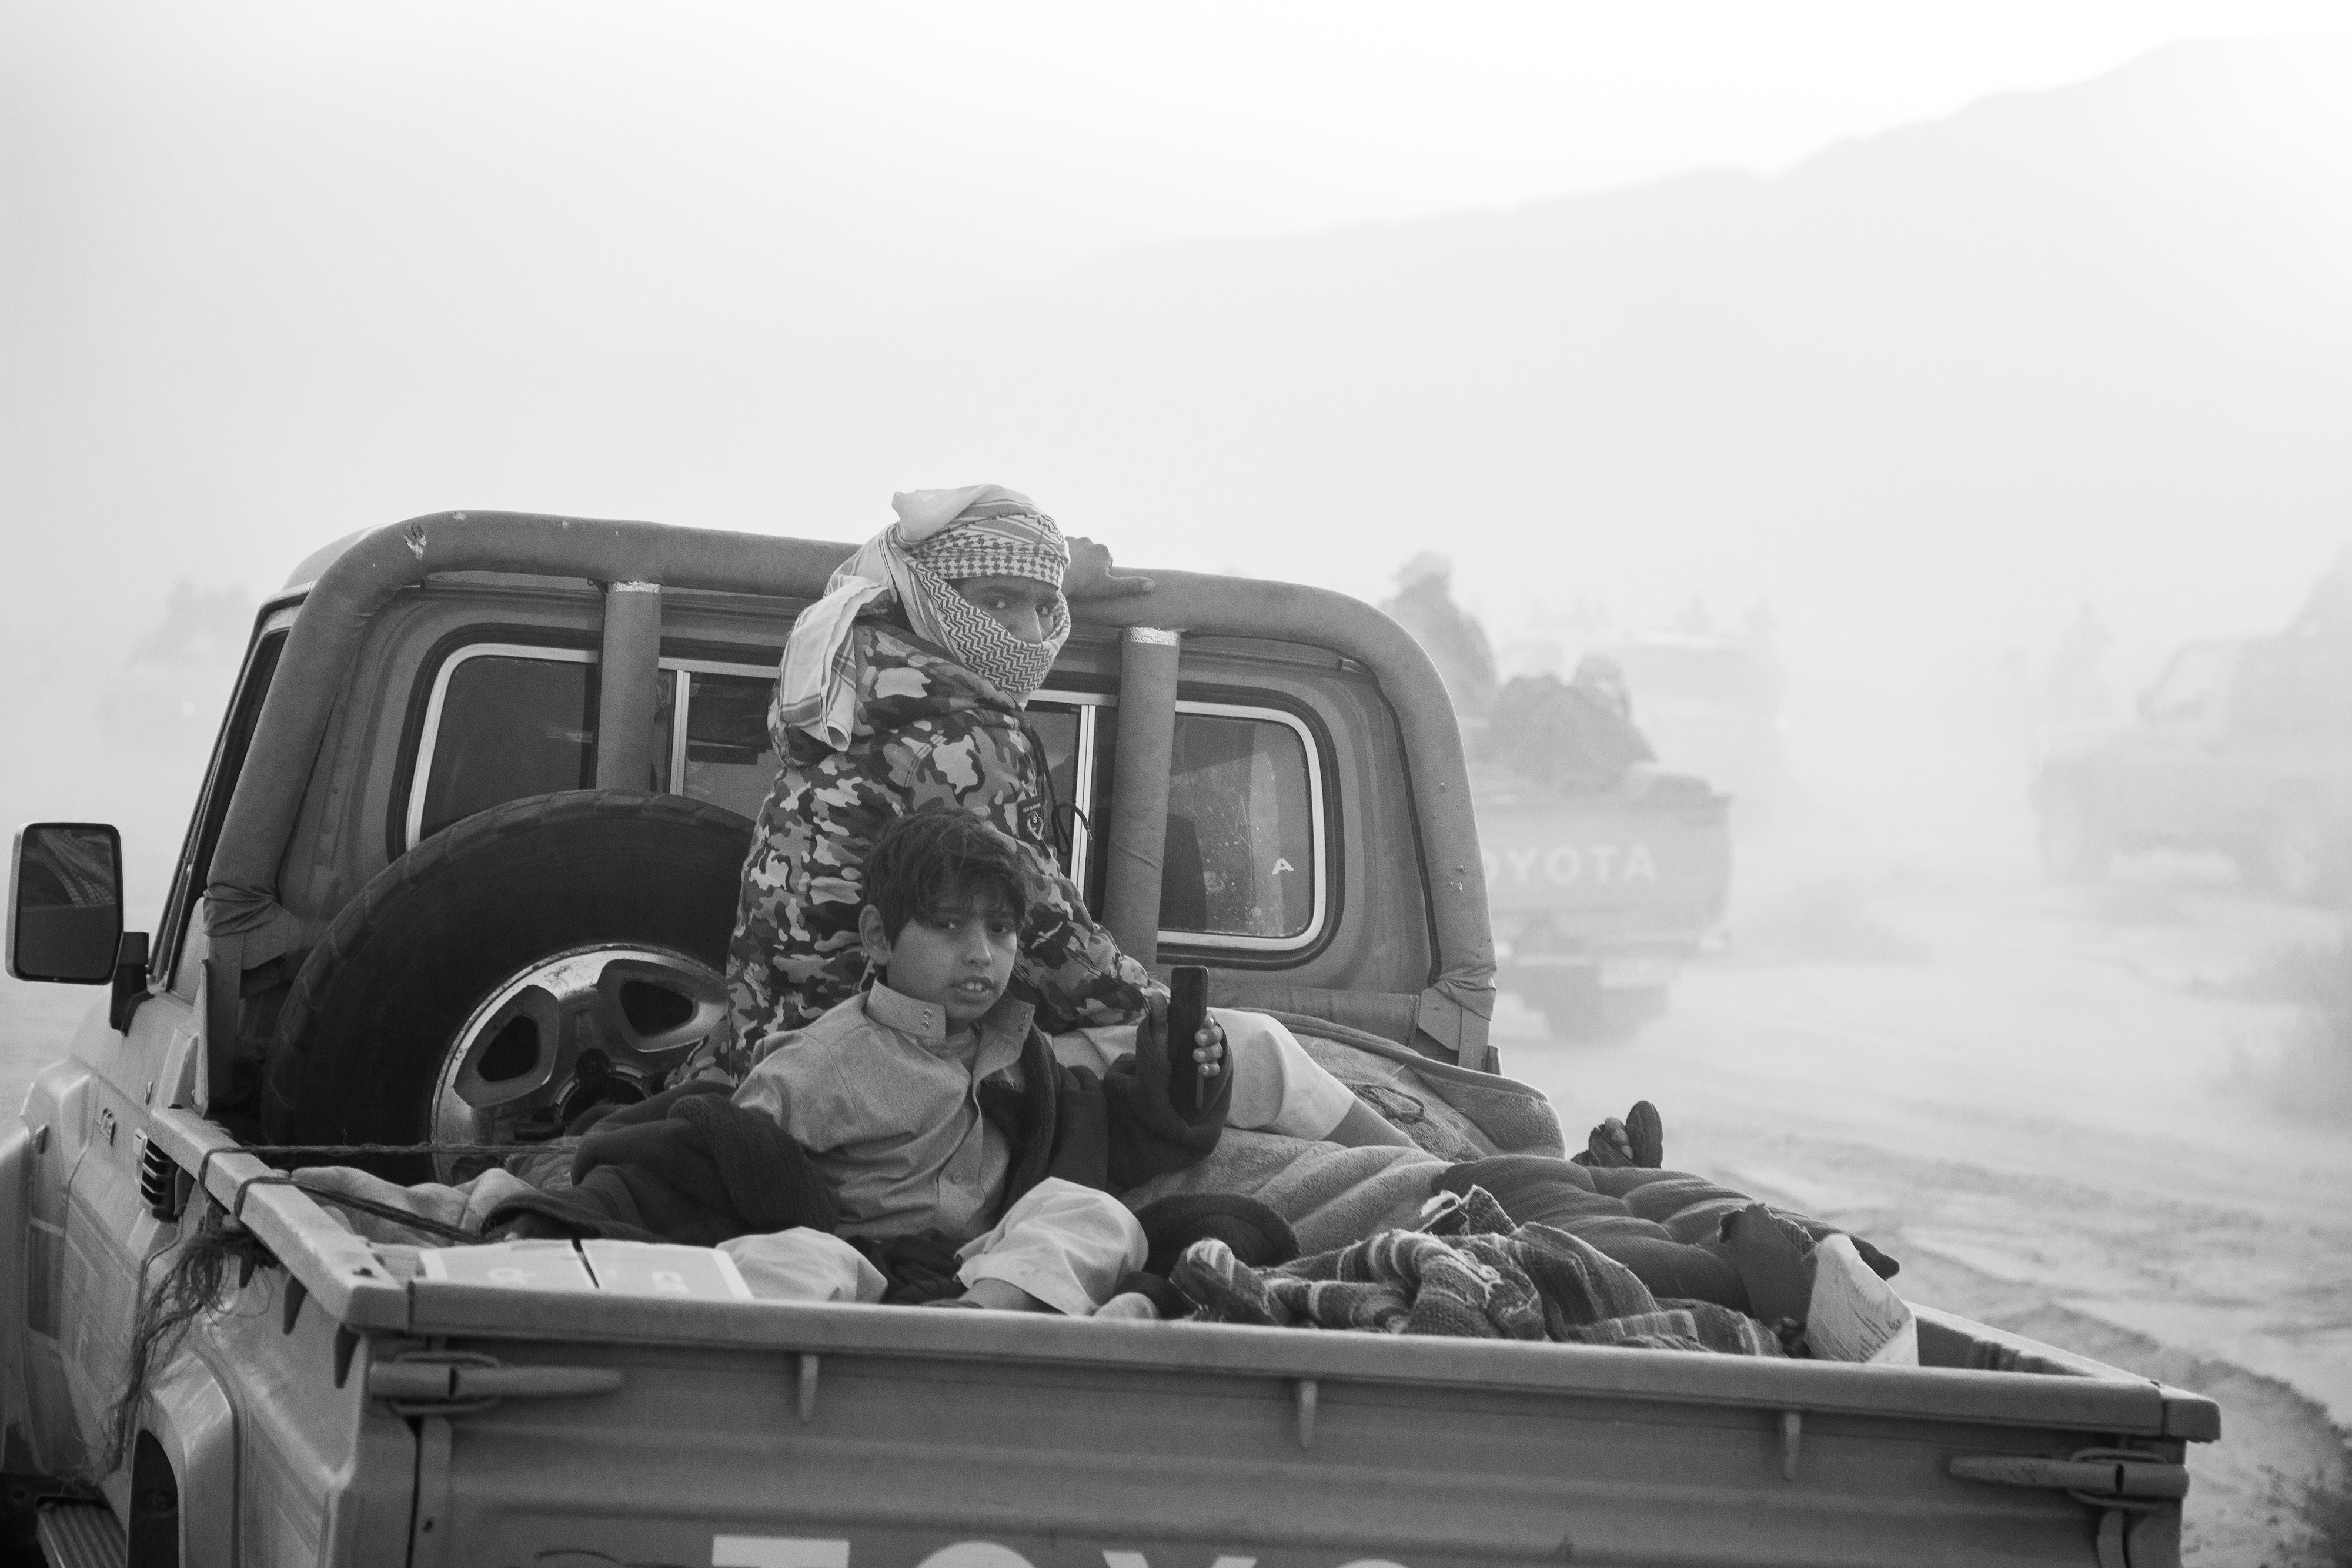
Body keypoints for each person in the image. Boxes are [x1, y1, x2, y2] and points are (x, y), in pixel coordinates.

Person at [700, 484, 1412, 1151]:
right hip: (882, 1069)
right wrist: (1176, 1025)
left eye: (1045, 606)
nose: (1025, 630)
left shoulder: (851, 684)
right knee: (1259, 1054)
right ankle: (1454, 1195)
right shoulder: (963, 736)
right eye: (998, 600)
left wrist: (1054, 572)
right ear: (929, 597)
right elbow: (1045, 945)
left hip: (771, 1049)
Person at [724, 806, 1231, 1312]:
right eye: (948, 924)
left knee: (1097, 1215)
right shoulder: (821, 1059)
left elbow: (1111, 1131)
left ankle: (972, 1323)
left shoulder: (1020, 1055)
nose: (981, 954)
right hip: (860, 1279)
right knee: (782, 1257)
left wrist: (1172, 1065)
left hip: (984, 1275)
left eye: (1000, 929)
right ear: (879, 936)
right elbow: (727, 1163)